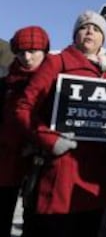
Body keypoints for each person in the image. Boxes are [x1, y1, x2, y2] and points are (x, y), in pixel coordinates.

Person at [15, 10, 106, 237]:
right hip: (62, 171)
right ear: (75, 35)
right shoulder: (57, 62)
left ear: (104, 38)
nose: (89, 31)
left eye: (96, 28)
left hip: (95, 177)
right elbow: (24, 108)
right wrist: (50, 139)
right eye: (83, 27)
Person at [0, 26, 50, 237]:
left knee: (34, 220)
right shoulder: (5, 84)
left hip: (39, 163)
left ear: (45, 51)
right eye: (21, 52)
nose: (27, 58)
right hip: (6, 160)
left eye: (34, 51)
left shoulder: (55, 81)